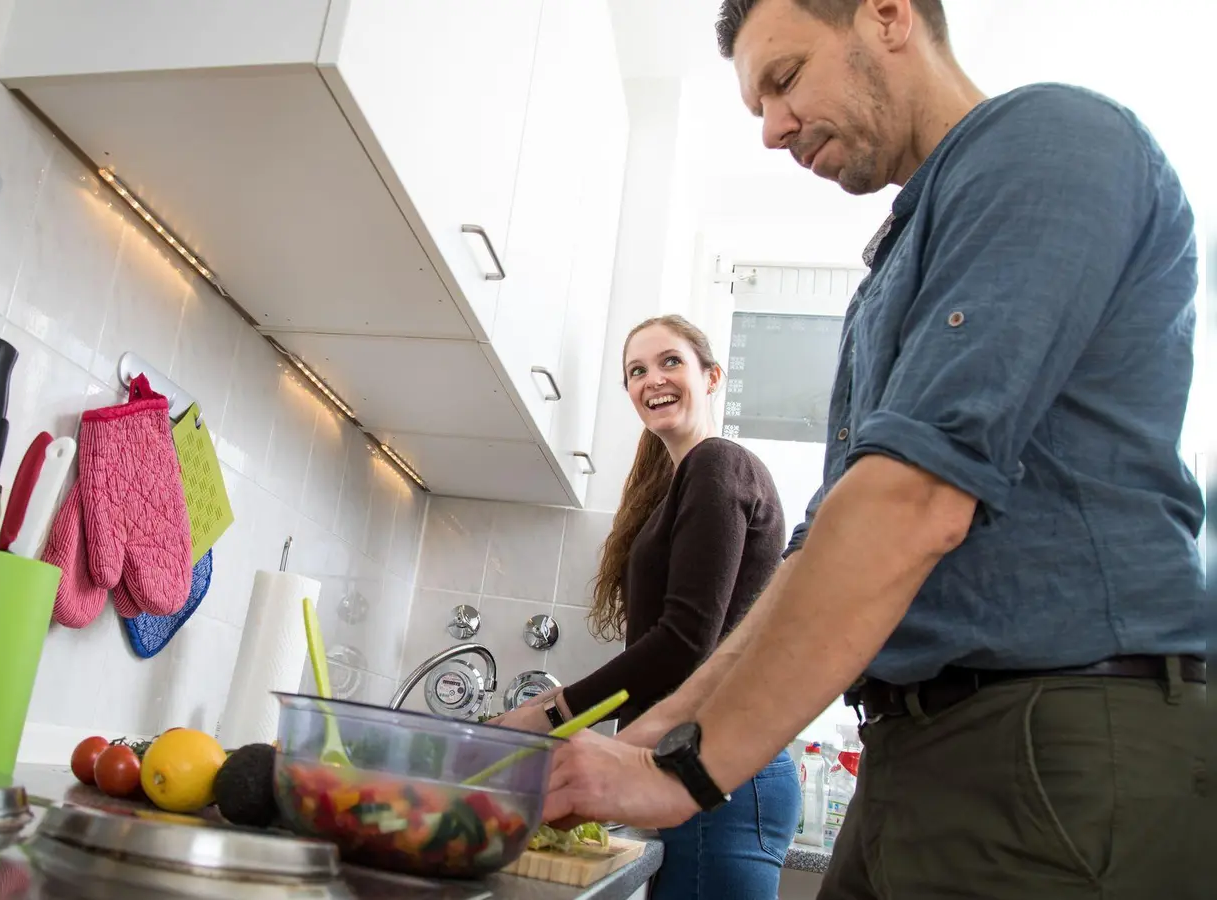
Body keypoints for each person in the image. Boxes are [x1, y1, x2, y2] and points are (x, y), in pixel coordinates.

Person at [540, 2, 1206, 898]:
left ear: (888, 16)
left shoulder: (1049, 140)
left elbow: (915, 502)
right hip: (913, 746)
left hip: (1055, 738)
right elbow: (823, 546)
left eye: (784, 80)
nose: (773, 129)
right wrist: (656, 735)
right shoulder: (896, 261)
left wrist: (686, 775)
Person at [490, 315, 798, 898]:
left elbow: (684, 643)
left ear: (711, 376)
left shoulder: (719, 464)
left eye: (670, 361)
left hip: (723, 770)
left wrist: (549, 714)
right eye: (637, 371)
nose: (652, 378)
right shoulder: (679, 486)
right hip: (698, 764)